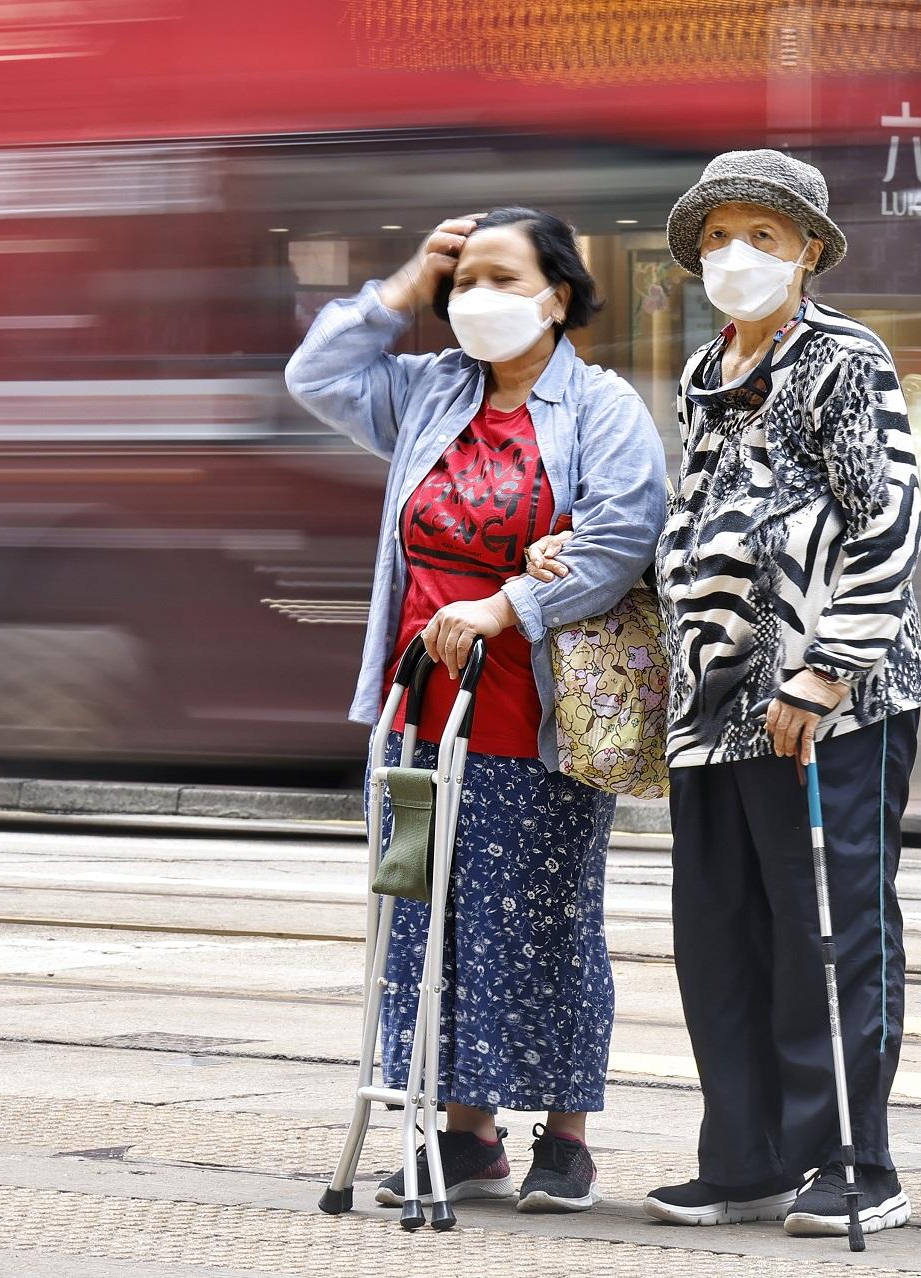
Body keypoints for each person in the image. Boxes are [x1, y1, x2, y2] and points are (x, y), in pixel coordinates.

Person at [530, 150, 921, 1238]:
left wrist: (827, 667)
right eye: (715, 238)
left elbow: (887, 520)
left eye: (762, 235)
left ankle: (856, 1161)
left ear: (809, 251)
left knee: (830, 927)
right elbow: (703, 522)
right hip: (712, 705)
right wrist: (597, 552)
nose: (734, 256)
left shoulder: (844, 358)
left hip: (826, 699)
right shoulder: (708, 370)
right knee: (721, 931)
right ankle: (745, 1159)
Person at [284, 208, 667, 1215]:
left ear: (558, 297)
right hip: (417, 708)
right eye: (464, 283)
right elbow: (315, 375)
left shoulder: (600, 407)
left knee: (543, 924)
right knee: (425, 925)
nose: (478, 299)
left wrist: (509, 605)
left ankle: (566, 1140)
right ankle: (466, 1133)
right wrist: (403, 287)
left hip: (532, 711)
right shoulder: (431, 392)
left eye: (504, 279)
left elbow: (623, 535)